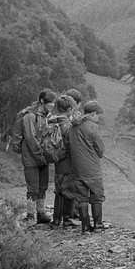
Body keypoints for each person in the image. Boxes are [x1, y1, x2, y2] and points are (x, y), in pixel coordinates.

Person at [9, 88, 57, 223]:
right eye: (50, 103)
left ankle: (41, 213)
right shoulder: (30, 116)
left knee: (43, 186)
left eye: (53, 103)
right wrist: (40, 156)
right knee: (33, 188)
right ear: (42, 101)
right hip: (31, 158)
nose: (53, 105)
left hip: (42, 158)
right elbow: (30, 138)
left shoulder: (45, 116)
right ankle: (30, 215)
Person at [68, 99, 106, 232]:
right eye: (98, 116)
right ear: (93, 114)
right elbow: (100, 150)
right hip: (92, 170)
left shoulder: (73, 126)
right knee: (97, 197)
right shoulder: (93, 127)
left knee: (82, 199)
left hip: (77, 169)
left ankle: (85, 226)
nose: (98, 119)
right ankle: (98, 225)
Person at [49, 94, 78, 227]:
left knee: (59, 189)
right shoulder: (67, 125)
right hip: (67, 161)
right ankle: (66, 218)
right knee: (69, 189)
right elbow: (71, 144)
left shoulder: (52, 121)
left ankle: (56, 219)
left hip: (57, 160)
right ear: (69, 109)